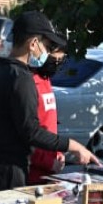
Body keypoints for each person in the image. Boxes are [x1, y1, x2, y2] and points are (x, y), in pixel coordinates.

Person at [0, 11, 98, 191]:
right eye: (47, 47)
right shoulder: (22, 78)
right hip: (7, 168)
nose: (47, 53)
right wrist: (73, 146)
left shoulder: (0, 70)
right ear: (33, 43)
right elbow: (31, 131)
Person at [28, 48, 68, 184]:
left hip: (48, 172)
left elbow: (49, 123)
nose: (56, 64)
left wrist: (58, 154)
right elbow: (27, 133)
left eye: (60, 60)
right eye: (54, 58)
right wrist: (47, 162)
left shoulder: (45, 80)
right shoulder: (29, 83)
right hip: (30, 174)